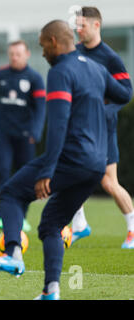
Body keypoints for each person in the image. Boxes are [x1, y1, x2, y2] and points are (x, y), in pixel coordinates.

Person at [0, 20, 132, 300]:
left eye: (42, 45)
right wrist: (100, 107)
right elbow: (124, 93)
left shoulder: (61, 71)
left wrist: (48, 169)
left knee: (10, 193)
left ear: (54, 42)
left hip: (71, 157)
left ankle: (12, 254)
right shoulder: (96, 68)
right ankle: (51, 291)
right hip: (96, 164)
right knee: (50, 225)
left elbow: (58, 124)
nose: (42, 51)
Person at [70, 7, 134, 249]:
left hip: (103, 129)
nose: (79, 29)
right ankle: (80, 225)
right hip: (79, 128)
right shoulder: (74, 53)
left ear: (96, 25)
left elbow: (126, 93)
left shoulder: (110, 58)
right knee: (71, 175)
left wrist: (101, 112)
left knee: (108, 183)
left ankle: (132, 228)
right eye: (77, 25)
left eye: (83, 25)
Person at [0, 40, 46, 232]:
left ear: (27, 54)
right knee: (2, 172)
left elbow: (41, 108)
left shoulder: (35, 78)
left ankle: (22, 217)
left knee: (25, 176)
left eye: (18, 54)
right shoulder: (0, 75)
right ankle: (2, 216)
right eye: (12, 54)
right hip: (3, 134)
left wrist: (35, 132)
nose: (15, 57)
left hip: (25, 136)